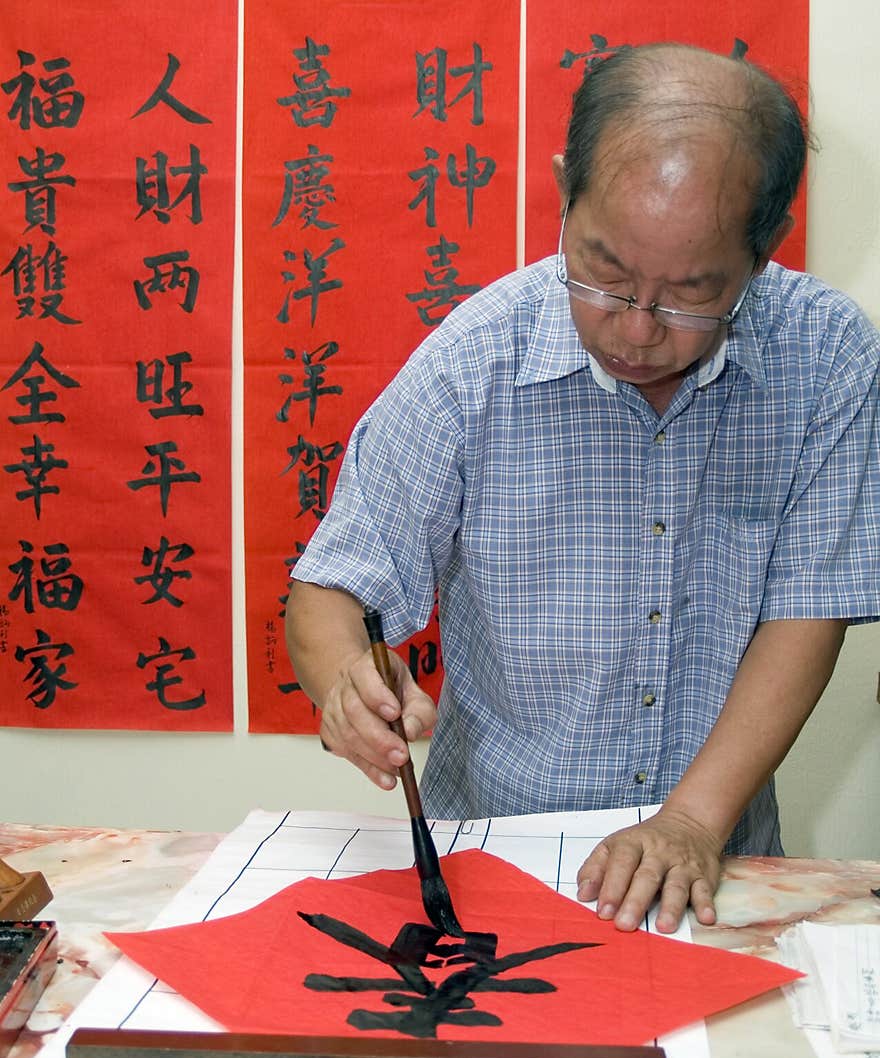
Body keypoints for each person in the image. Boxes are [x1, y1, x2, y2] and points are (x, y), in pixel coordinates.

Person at [285, 42, 880, 934]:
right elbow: (330, 589)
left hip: (712, 862)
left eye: (689, 293)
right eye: (603, 270)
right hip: (492, 862)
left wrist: (689, 821)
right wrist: (345, 684)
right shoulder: (475, 359)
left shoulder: (827, 355)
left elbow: (809, 613)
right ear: (565, 191)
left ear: (763, 250)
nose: (637, 328)